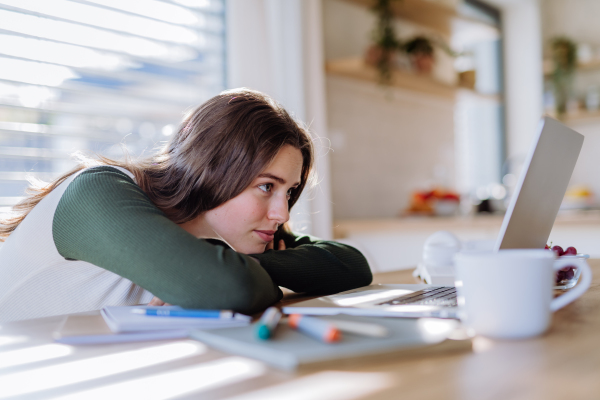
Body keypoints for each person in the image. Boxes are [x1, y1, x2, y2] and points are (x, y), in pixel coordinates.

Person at [0, 88, 372, 322]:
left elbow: (349, 264)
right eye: (266, 186)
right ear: (212, 172)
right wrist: (228, 272)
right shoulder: (97, 193)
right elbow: (230, 288)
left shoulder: (237, 232)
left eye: (288, 192)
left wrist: (249, 266)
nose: (282, 213)